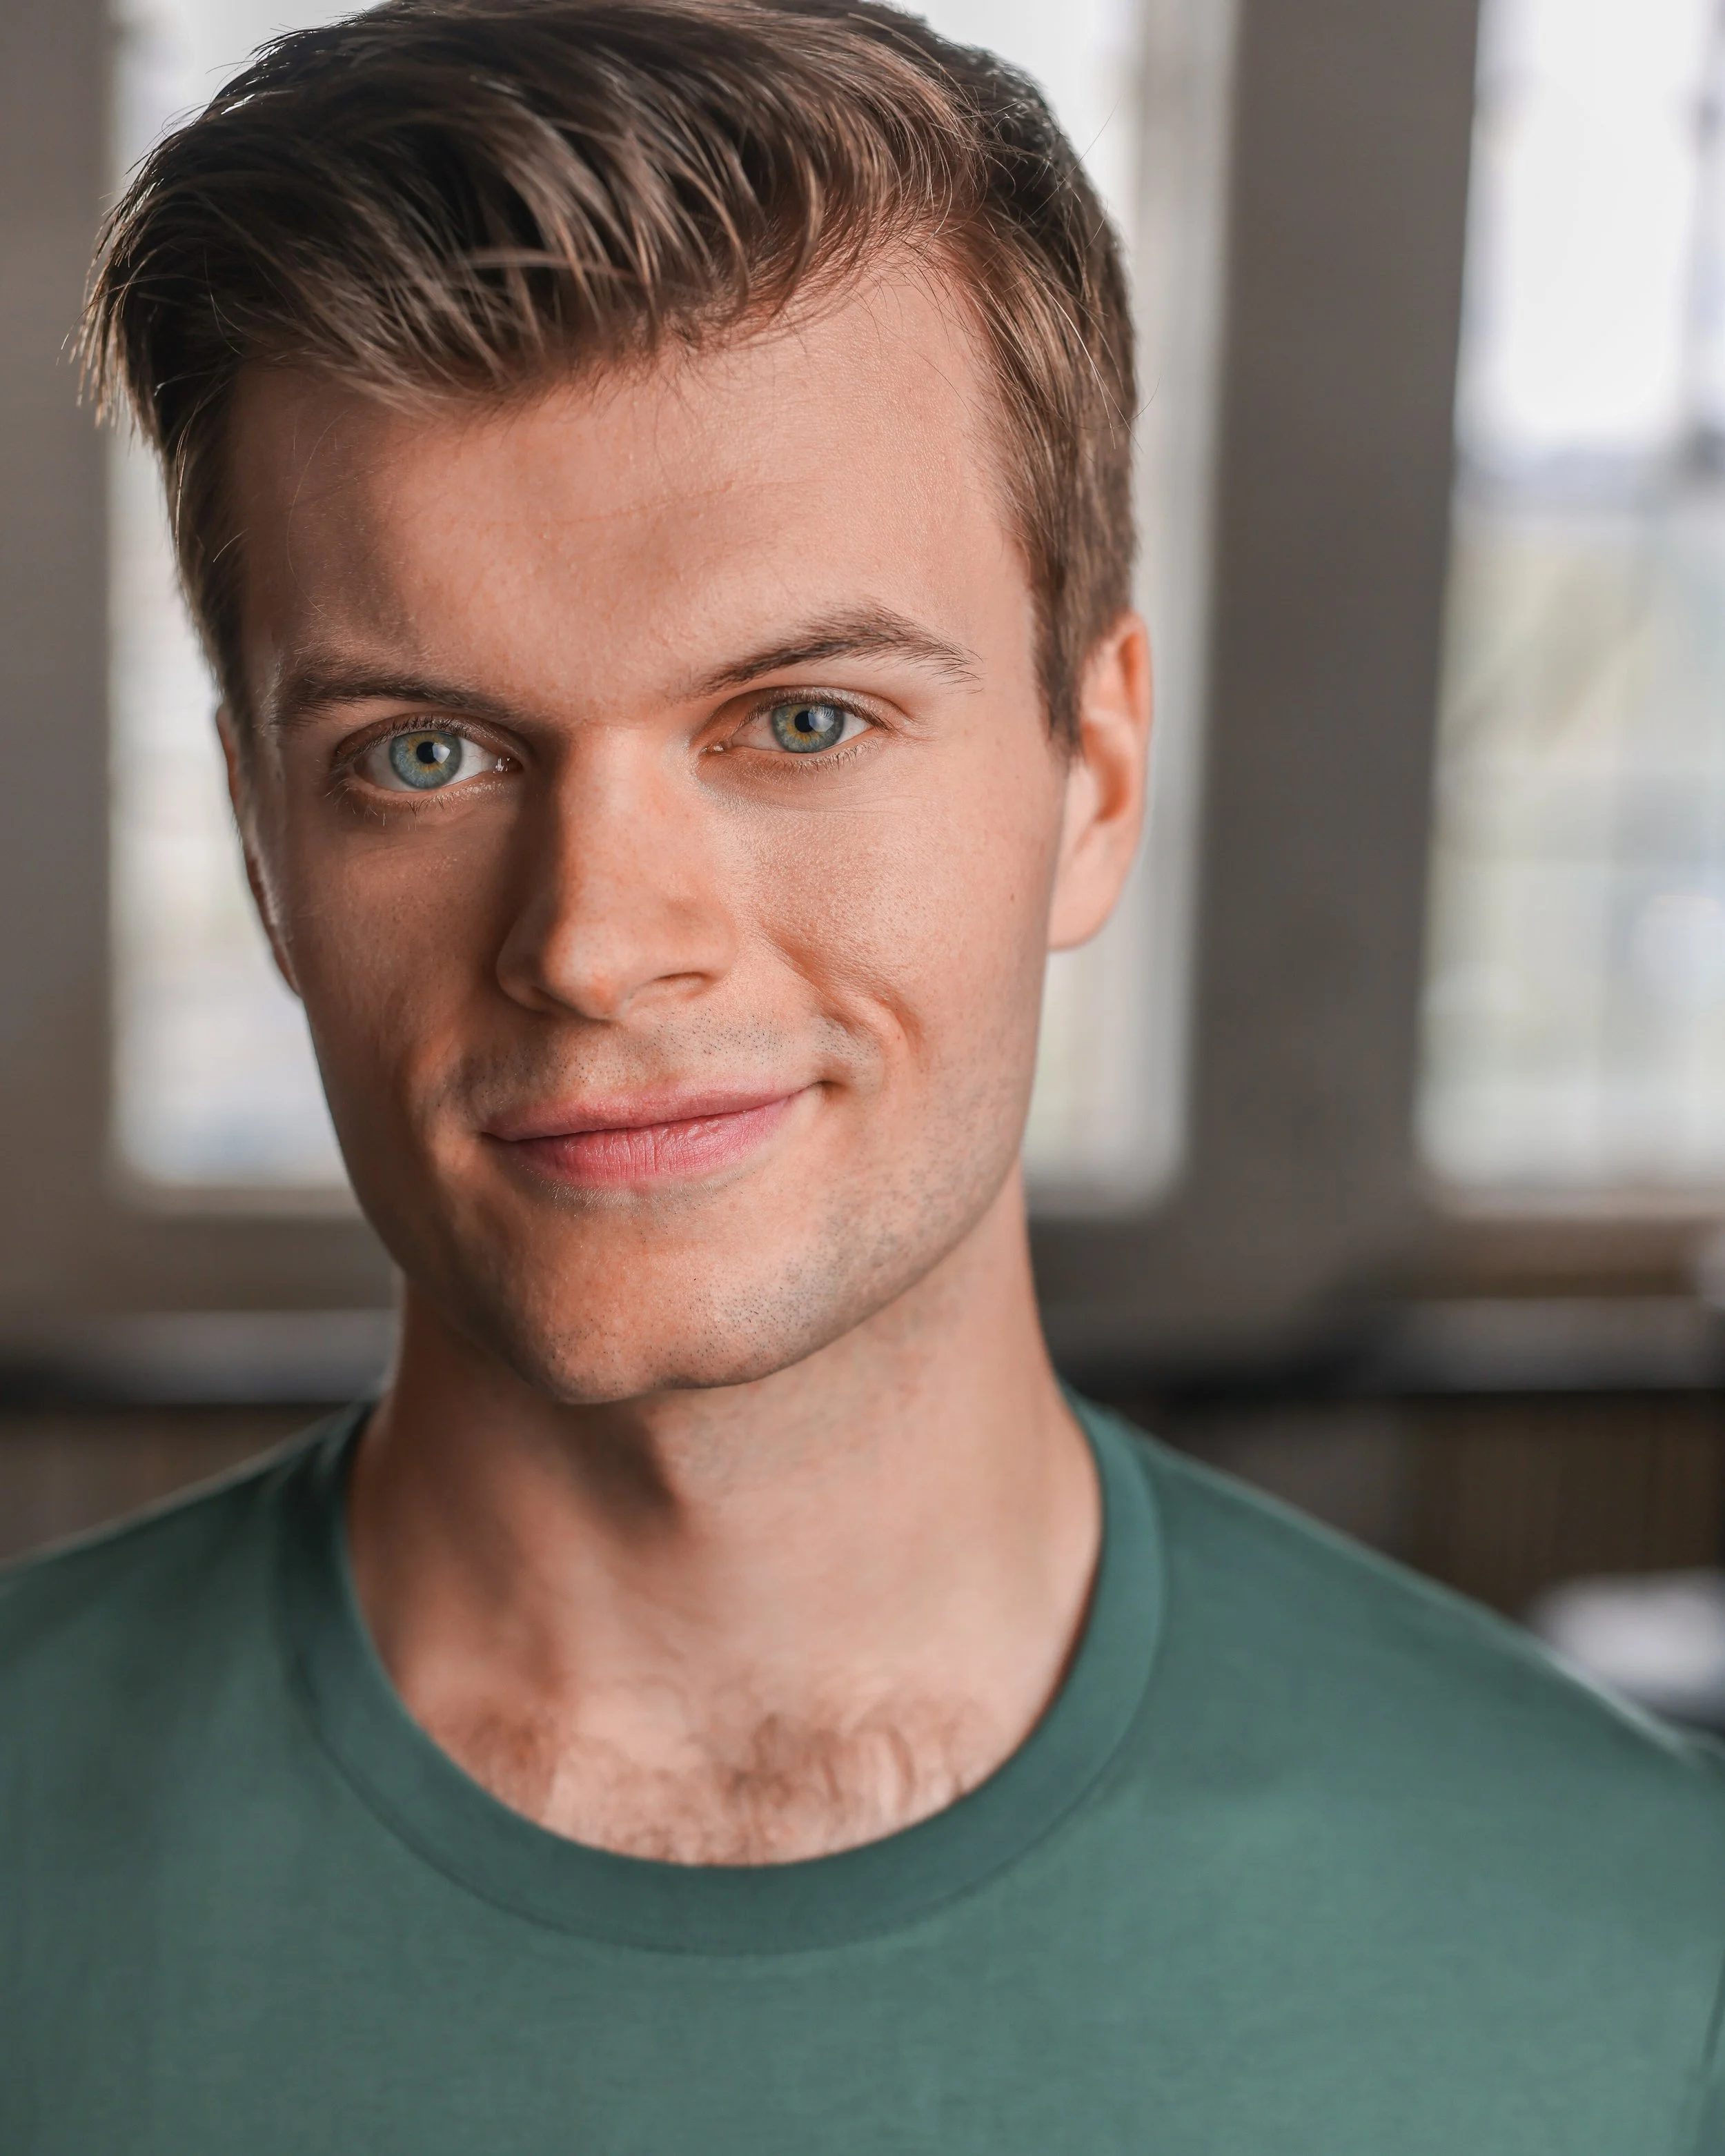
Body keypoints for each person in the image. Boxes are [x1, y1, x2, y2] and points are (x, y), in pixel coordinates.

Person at [4, 1, 1725, 2147]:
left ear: (1091, 772)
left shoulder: (1641, 1951)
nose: (598, 940)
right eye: (421, 753)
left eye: (798, 718)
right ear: (270, 848)